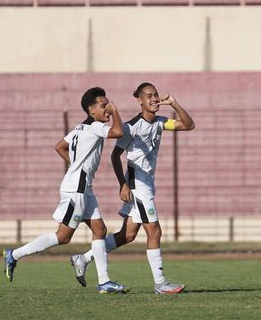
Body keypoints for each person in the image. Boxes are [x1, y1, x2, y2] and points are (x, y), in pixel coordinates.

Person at [70, 82, 195, 295]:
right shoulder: (131, 127)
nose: (154, 99)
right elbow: (115, 155)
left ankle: (84, 258)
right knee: (155, 230)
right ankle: (160, 283)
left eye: (156, 95)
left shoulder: (160, 123)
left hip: (146, 185)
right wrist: (123, 184)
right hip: (138, 187)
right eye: (149, 96)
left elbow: (188, 125)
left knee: (127, 235)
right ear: (139, 100)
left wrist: (174, 102)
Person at [3, 87, 129, 294]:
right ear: (91, 110)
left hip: (83, 188)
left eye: (108, 104)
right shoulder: (95, 127)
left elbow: (59, 146)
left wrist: (75, 166)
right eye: (103, 105)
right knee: (63, 237)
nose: (107, 108)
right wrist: (115, 112)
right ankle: (14, 254)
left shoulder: (81, 128)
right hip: (76, 190)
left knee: (100, 230)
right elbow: (118, 132)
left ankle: (104, 282)